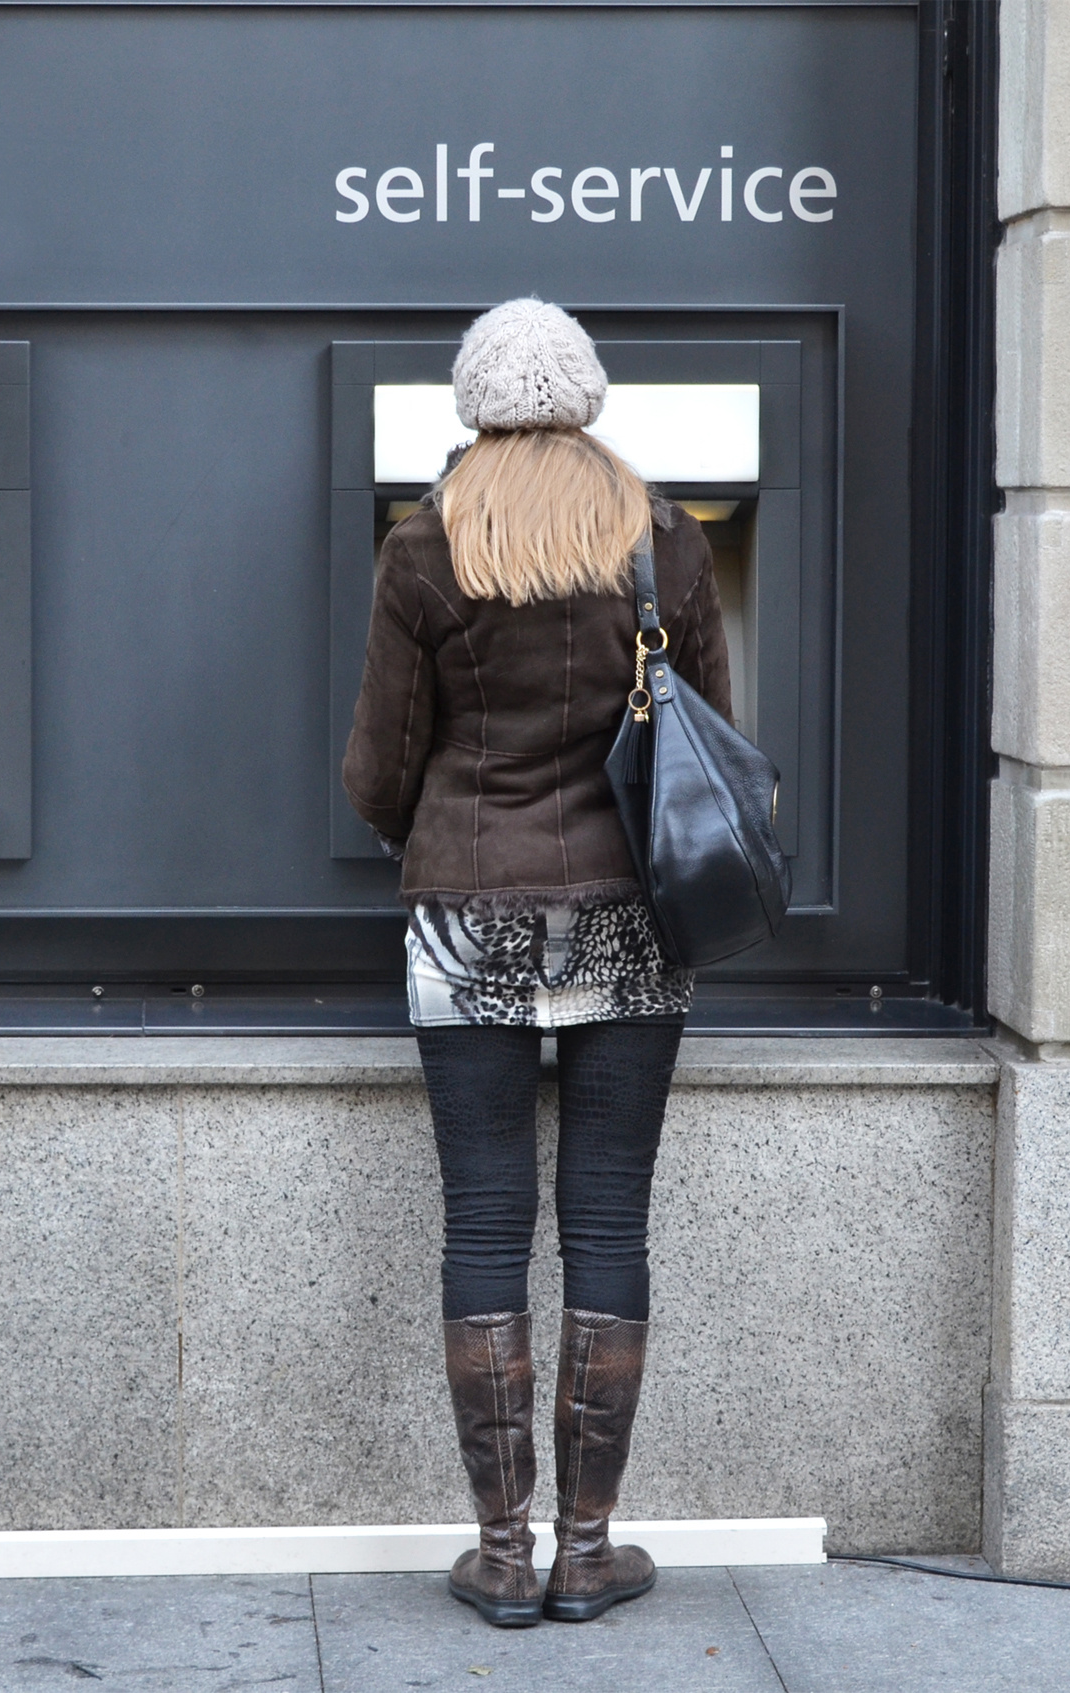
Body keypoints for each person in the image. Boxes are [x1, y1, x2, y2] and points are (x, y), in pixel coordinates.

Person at [342, 298, 732, 1628]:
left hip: (467, 911)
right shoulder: (660, 535)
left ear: (474, 401)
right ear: (587, 397)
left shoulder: (426, 542)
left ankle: (503, 1553)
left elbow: (378, 768)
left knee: (486, 1223)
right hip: (632, 910)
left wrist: (436, 832)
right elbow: (712, 738)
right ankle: (592, 1548)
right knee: (608, 1220)